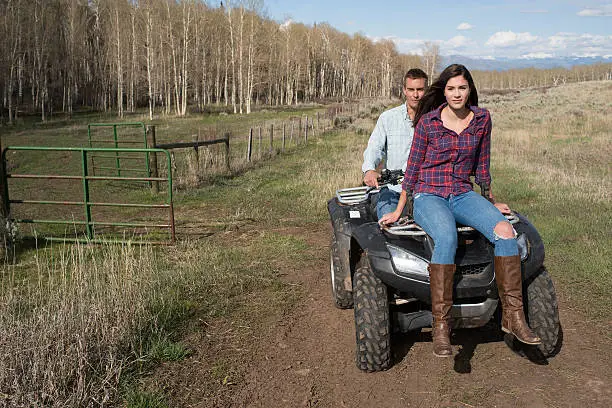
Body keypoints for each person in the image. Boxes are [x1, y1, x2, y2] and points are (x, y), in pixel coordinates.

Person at [379, 64, 541, 358]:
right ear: (444, 91)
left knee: (506, 232)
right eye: (451, 88)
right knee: (447, 238)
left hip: (462, 193)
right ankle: (442, 326)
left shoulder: (481, 120)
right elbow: (412, 171)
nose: (457, 94)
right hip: (429, 194)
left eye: (462, 88)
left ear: (470, 90)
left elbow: (482, 163)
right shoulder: (428, 123)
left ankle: (513, 318)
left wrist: (490, 199)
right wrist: (400, 209)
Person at [362, 68, 428, 219]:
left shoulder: (435, 120)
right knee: (389, 226)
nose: (415, 95)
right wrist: (369, 169)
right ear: (404, 90)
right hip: (393, 189)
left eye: (420, 89)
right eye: (411, 89)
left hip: (425, 192)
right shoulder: (388, 118)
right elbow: (375, 147)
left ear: (427, 90)